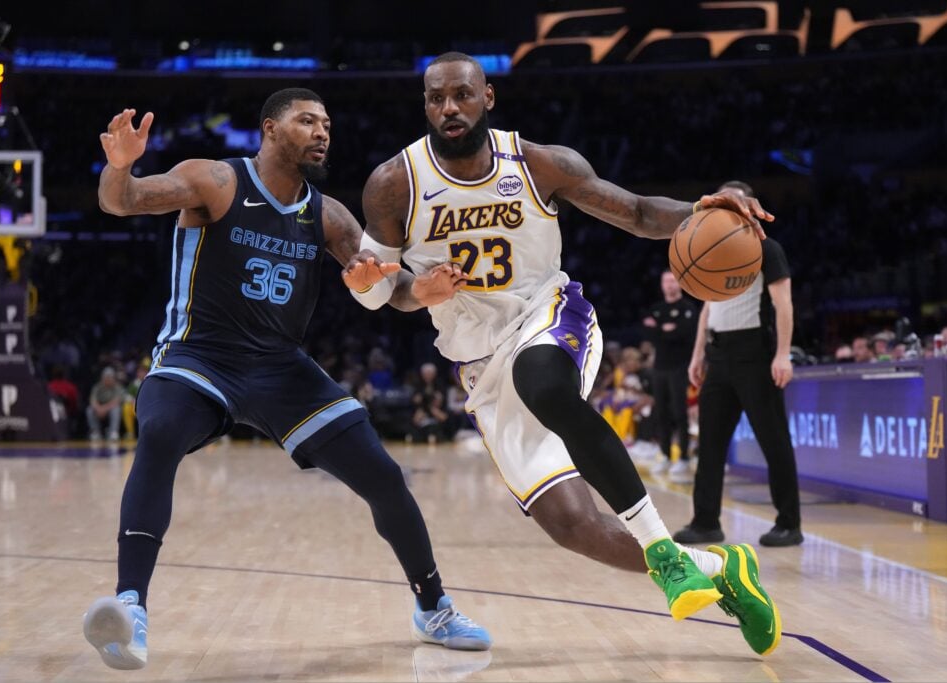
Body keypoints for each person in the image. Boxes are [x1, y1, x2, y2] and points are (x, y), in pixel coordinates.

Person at [344, 52, 781, 656]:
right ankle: (718, 568)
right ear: (425, 105)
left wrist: (703, 210)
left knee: (543, 381)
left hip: (549, 317)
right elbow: (381, 290)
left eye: (462, 96)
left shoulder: (540, 164)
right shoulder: (393, 183)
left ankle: (661, 547)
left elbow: (635, 212)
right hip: (479, 362)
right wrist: (416, 290)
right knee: (575, 528)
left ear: (487, 98)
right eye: (437, 98)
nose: (450, 108)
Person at [82, 89, 491, 671]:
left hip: (279, 366)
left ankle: (435, 608)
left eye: (327, 122)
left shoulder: (327, 215)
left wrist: (417, 293)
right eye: (307, 121)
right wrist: (120, 165)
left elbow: (380, 286)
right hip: (200, 357)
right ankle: (131, 609)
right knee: (163, 430)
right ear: (270, 129)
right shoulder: (215, 181)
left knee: (383, 474)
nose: (322, 131)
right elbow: (121, 202)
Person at [673, 180, 803, 549]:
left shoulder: (767, 248)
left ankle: (789, 524)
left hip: (755, 355)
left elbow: (784, 304)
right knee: (711, 444)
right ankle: (705, 522)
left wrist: (782, 354)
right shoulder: (709, 247)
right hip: (718, 356)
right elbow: (707, 307)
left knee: (773, 441)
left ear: (749, 206)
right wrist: (698, 354)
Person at [643, 270, 698, 483]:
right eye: (665, 280)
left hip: (679, 367)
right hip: (659, 367)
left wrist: (662, 330)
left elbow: (684, 334)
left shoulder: (688, 308)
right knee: (661, 412)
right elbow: (648, 334)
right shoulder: (656, 308)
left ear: (680, 284)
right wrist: (666, 331)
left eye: (673, 281)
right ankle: (665, 454)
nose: (669, 285)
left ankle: (682, 456)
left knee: (680, 412)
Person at [86, 366, 125, 442]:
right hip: (99, 409)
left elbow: (116, 401)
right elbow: (93, 400)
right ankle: (95, 432)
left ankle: (113, 432)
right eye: (106, 377)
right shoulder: (97, 387)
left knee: (116, 409)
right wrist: (98, 408)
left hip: (110, 409)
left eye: (109, 377)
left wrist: (104, 409)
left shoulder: (118, 387)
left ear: (113, 378)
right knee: (89, 410)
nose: (107, 379)